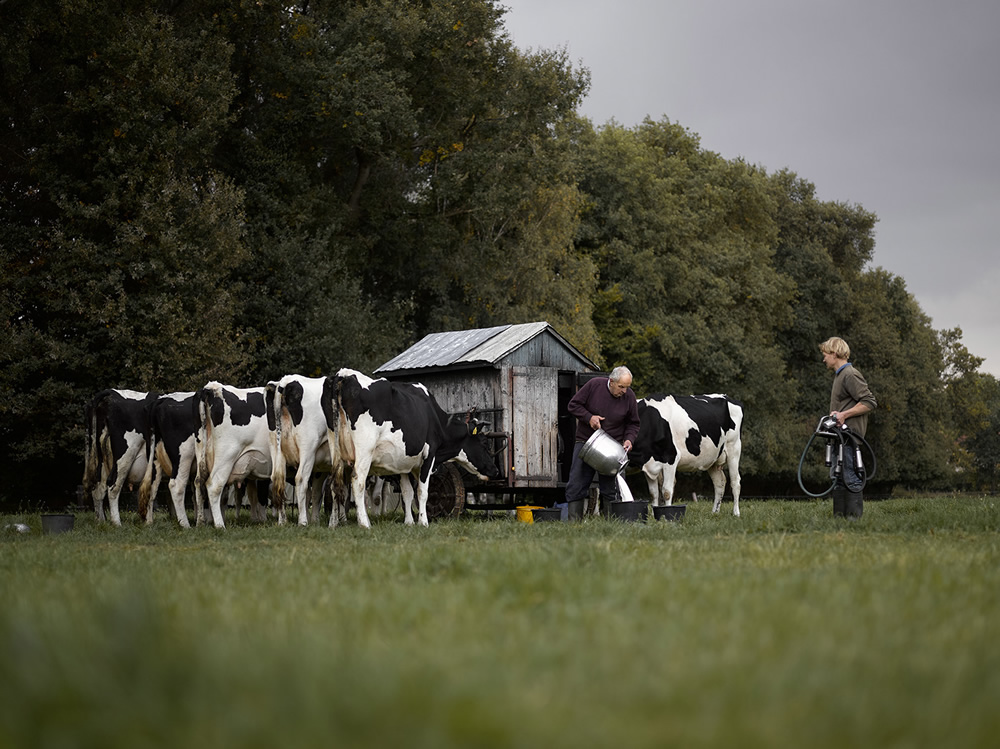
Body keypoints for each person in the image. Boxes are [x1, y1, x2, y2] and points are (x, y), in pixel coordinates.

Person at [560, 366, 641, 516]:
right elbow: (573, 405)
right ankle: (574, 525)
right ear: (611, 381)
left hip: (613, 447)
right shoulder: (594, 385)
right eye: (621, 387)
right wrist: (589, 417)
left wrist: (629, 439)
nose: (624, 391)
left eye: (627, 387)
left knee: (612, 488)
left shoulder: (629, 397)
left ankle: (612, 523)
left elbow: (633, 423)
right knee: (577, 484)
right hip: (586, 442)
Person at [820, 336, 877, 519]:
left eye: (825, 355)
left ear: (834, 354)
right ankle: (840, 521)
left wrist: (844, 415)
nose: (824, 359)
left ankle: (853, 521)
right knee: (838, 479)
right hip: (840, 437)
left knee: (850, 478)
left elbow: (869, 402)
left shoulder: (850, 374)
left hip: (850, 437)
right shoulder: (839, 376)